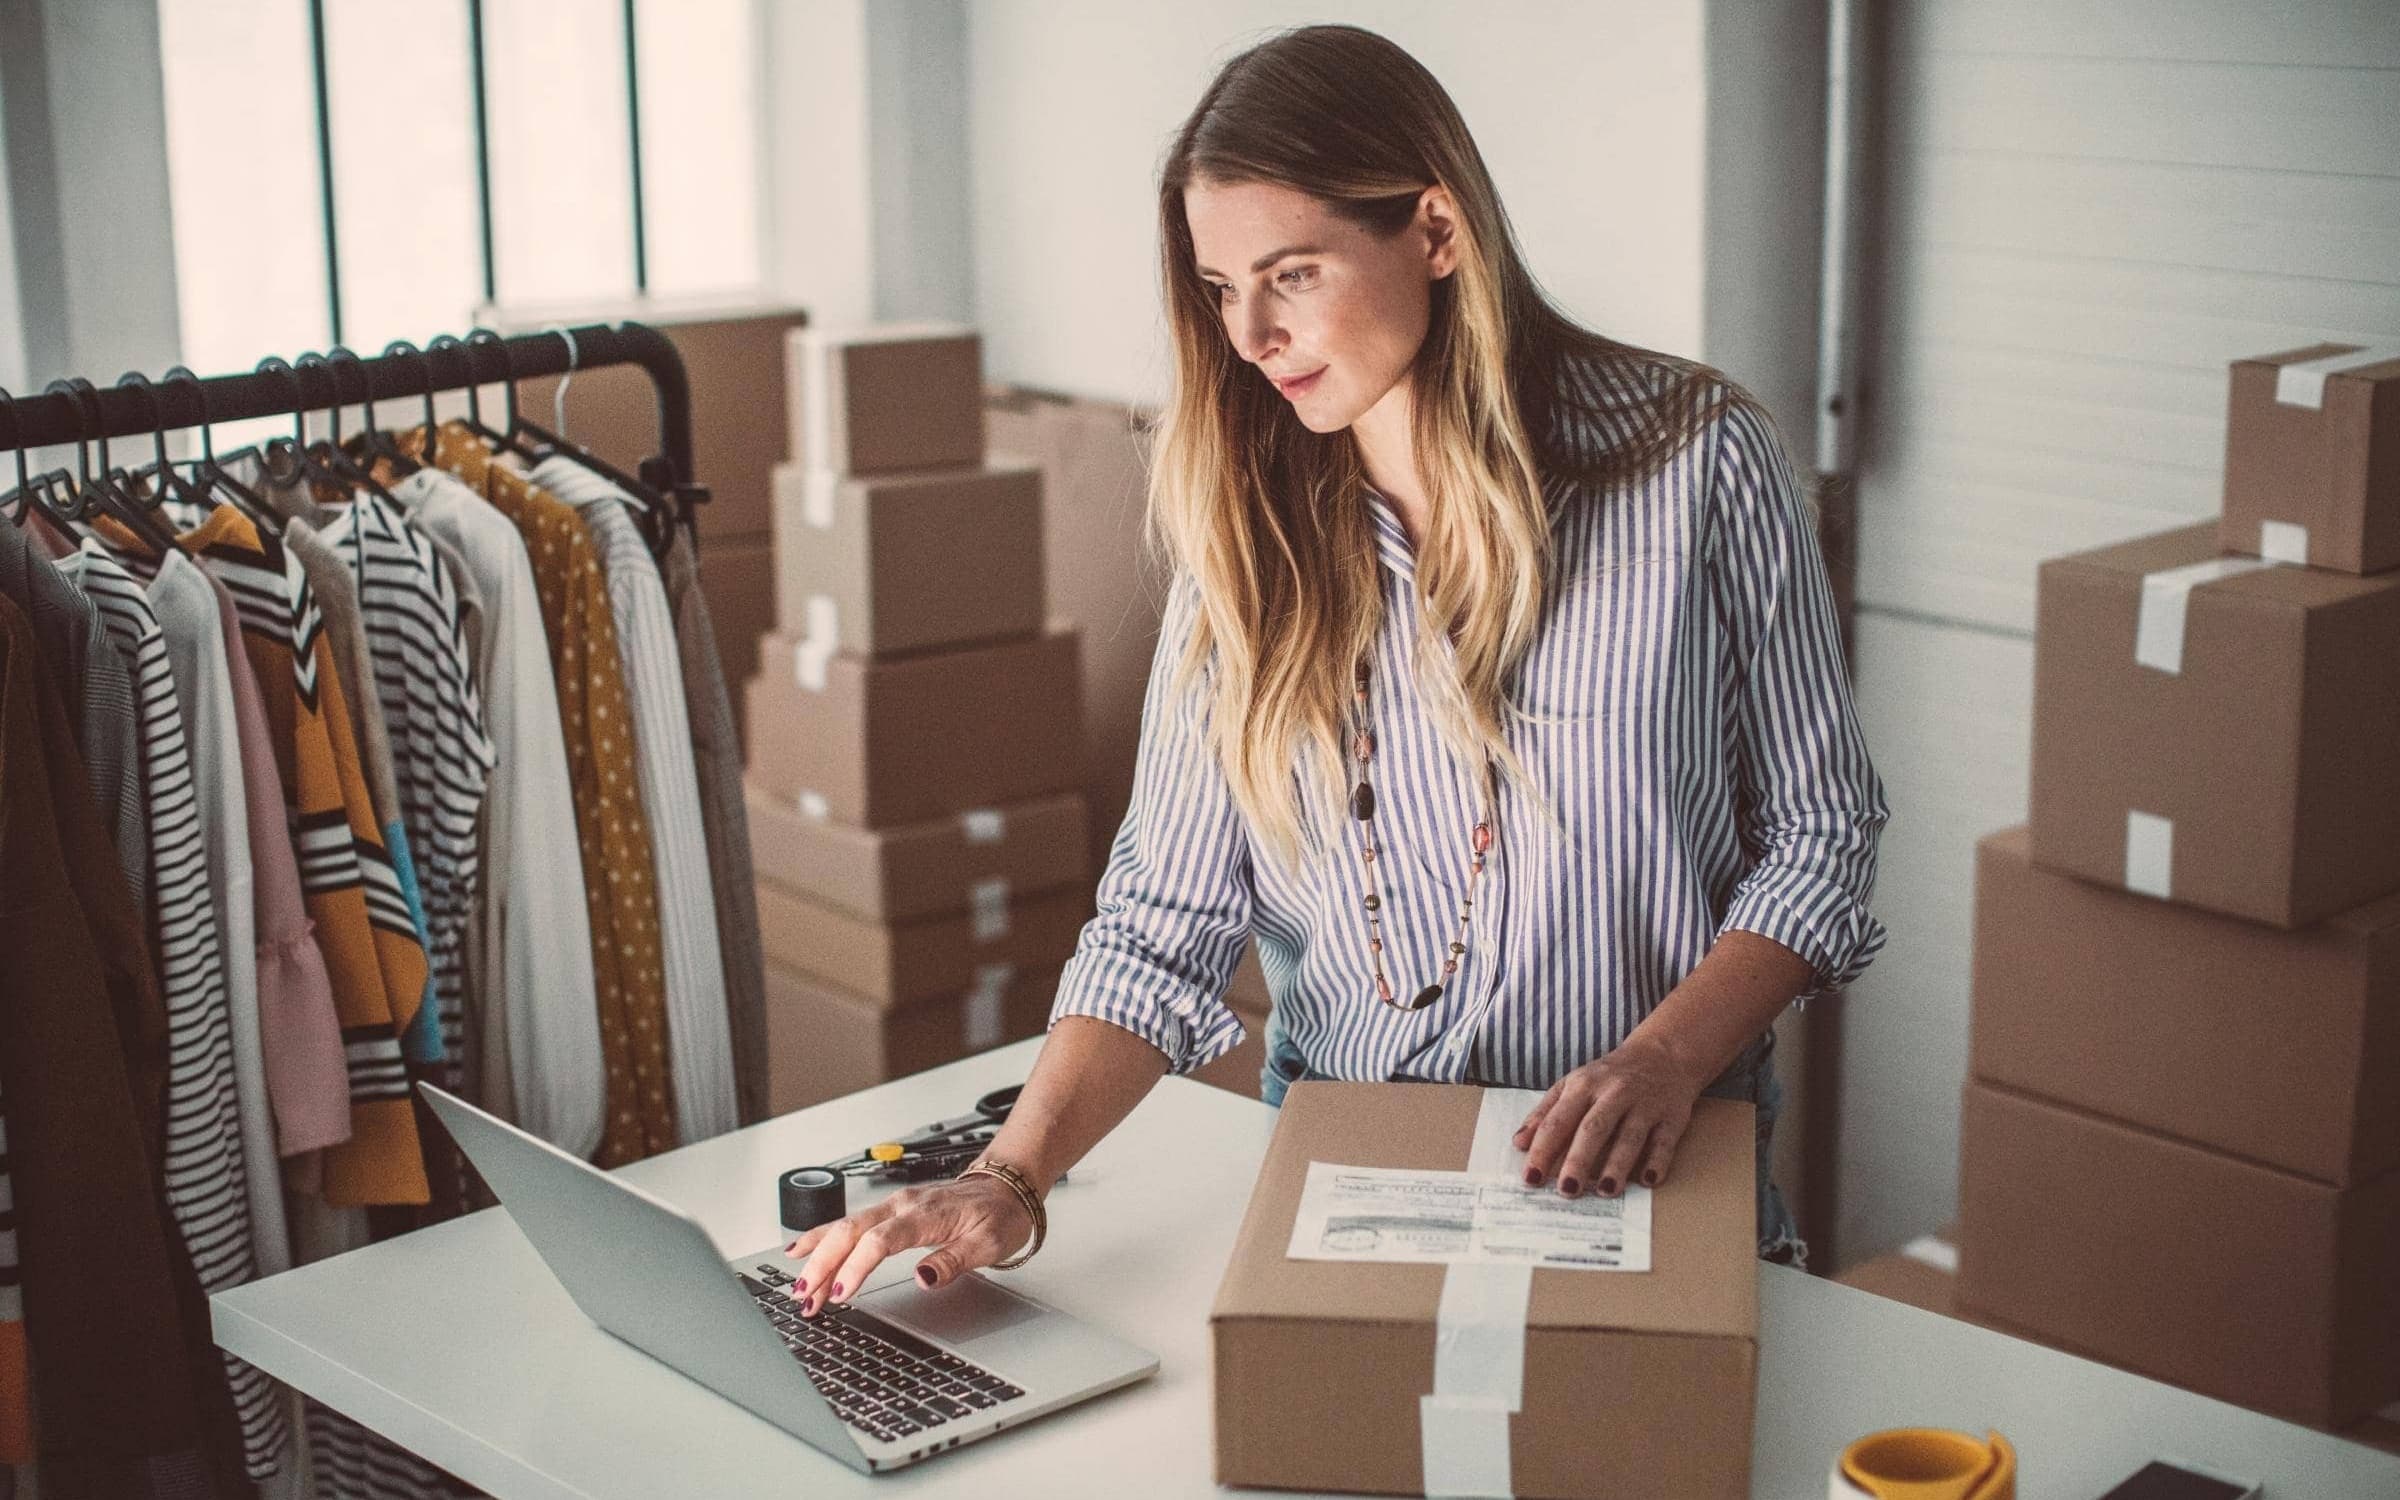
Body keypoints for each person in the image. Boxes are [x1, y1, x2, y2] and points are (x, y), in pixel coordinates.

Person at [784, 22, 1888, 1313]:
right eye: (1219, 287)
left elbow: (1823, 833)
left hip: (1651, 1174)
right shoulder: (1243, 537)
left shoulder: (1697, 462)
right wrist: (1009, 1180)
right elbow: (1161, 924)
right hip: (1350, 1186)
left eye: (1291, 274)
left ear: (1436, 231)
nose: (1251, 332)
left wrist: (1665, 1059)